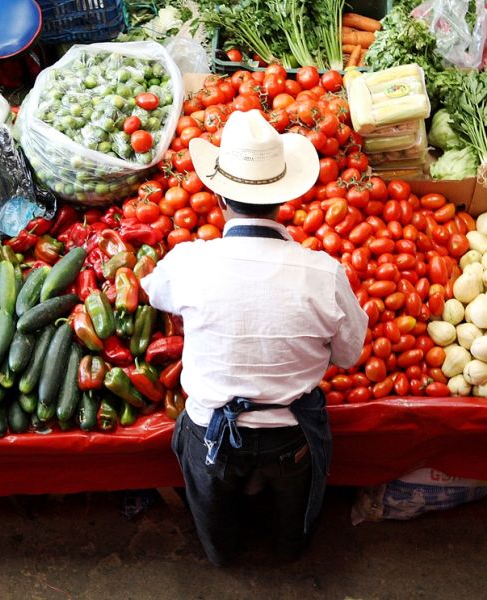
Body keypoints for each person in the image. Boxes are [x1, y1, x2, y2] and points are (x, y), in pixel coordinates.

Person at [141, 110, 368, 567]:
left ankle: (224, 558)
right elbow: (349, 354)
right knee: (292, 527)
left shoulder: (189, 262)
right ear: (283, 201)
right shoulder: (323, 272)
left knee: (216, 525)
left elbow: (154, 292)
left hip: (210, 431)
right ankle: (289, 553)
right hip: (292, 434)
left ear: (220, 197)